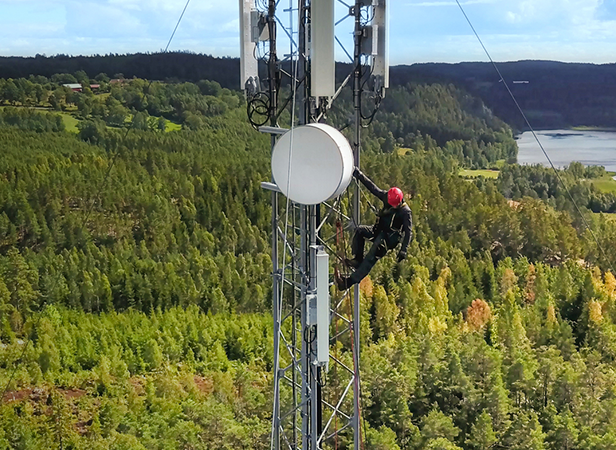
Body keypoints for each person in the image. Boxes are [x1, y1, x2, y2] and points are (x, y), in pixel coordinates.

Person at [335, 167, 413, 290]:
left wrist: (403, 250)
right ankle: (357, 260)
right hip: (378, 231)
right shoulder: (387, 197)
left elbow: (409, 232)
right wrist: (359, 175)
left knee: (371, 256)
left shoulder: (405, 212)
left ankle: (347, 283)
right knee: (360, 231)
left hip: (388, 240)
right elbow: (373, 188)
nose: (393, 206)